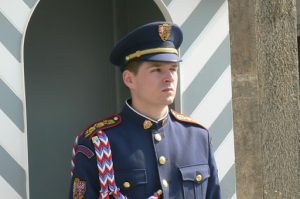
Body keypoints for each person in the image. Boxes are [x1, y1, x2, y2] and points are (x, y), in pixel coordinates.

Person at [69, 21, 221, 199]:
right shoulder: (97, 142)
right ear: (129, 79)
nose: (169, 78)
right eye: (157, 70)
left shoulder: (198, 137)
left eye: (173, 69)